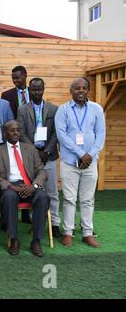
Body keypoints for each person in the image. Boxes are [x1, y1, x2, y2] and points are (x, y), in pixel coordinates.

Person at [55, 78, 105, 248]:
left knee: (88, 199)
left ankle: (87, 233)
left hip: (90, 162)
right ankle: (68, 232)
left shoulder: (97, 109)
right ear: (71, 91)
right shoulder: (63, 110)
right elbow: (62, 136)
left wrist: (89, 155)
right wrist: (80, 154)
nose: (81, 91)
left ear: (88, 90)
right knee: (69, 199)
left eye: (84, 88)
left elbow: (100, 136)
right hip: (70, 162)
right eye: (77, 88)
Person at [0, 120, 49, 257]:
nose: (16, 132)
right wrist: (11, 187)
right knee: (9, 197)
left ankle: (36, 240)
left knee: (43, 197)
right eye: (12, 130)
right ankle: (14, 239)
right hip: (11, 187)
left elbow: (42, 171)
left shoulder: (30, 149)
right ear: (5, 133)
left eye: (18, 130)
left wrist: (34, 186)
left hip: (30, 186)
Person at [17, 78, 61, 238]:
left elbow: (57, 133)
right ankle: (35, 220)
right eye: (34, 90)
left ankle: (55, 223)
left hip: (49, 155)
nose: (37, 92)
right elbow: (21, 132)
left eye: (39, 89)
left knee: (52, 191)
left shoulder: (53, 109)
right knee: (34, 189)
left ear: (44, 89)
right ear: (29, 90)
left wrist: (46, 152)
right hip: (30, 157)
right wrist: (35, 152)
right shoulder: (22, 109)